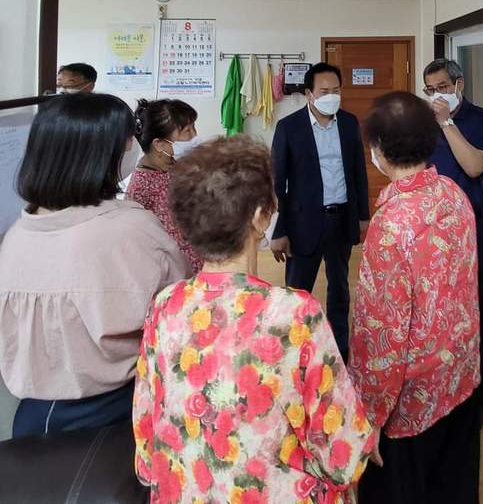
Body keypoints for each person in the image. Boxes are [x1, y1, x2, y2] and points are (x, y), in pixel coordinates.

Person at [133, 135, 376, 503]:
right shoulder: (294, 315)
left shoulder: (165, 305)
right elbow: (341, 454)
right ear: (261, 216)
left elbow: (147, 440)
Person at [0, 93, 189, 439]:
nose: (133, 144)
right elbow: (179, 306)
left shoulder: (15, 234)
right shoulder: (130, 227)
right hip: (117, 410)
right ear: (102, 152)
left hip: (31, 418)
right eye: (126, 138)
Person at [348, 91, 481, 504]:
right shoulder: (453, 195)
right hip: (460, 376)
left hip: (412, 400)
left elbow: (380, 337)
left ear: (378, 150)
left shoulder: (391, 224)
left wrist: (367, 416)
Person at [270, 62, 369, 360]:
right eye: (325, 91)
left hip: (341, 218)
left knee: (340, 287)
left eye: (336, 90)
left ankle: (339, 351)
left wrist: (363, 216)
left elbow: (358, 173)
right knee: (297, 293)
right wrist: (279, 230)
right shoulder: (289, 127)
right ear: (309, 94)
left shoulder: (350, 123)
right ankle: (292, 350)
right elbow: (279, 183)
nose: (332, 96)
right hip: (303, 223)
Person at [424, 58, 483, 421]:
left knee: (478, 302)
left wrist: (447, 123)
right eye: (430, 90)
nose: (436, 95)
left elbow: (473, 166)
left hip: (473, 223)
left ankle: (481, 390)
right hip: (435, 227)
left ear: (459, 84)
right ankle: (446, 381)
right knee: (441, 303)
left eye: (441, 87)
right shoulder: (426, 123)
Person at [126, 98, 203, 274]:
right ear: (159, 144)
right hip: (169, 273)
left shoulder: (178, 168)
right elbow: (137, 240)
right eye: (187, 131)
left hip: (197, 264)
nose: (195, 135)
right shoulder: (141, 185)